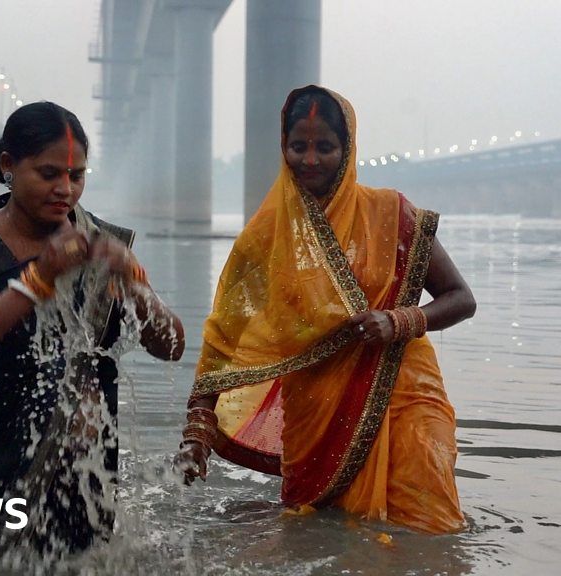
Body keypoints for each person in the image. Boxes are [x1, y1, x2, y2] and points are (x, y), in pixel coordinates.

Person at [175, 85, 475, 534]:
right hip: (315, 408)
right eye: (299, 146)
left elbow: (460, 298)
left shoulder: (391, 213)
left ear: (347, 148)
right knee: (318, 527)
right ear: (284, 148)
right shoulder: (265, 238)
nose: (310, 159)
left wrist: (397, 321)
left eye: (325, 147)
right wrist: (198, 428)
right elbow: (223, 340)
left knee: (430, 528)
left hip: (404, 392)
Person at [0, 101, 185, 558]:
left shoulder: (100, 244)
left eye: (77, 175)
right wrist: (38, 281)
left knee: (87, 562)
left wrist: (134, 282)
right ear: (8, 166)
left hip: (86, 464)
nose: (65, 189)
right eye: (48, 173)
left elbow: (173, 346)